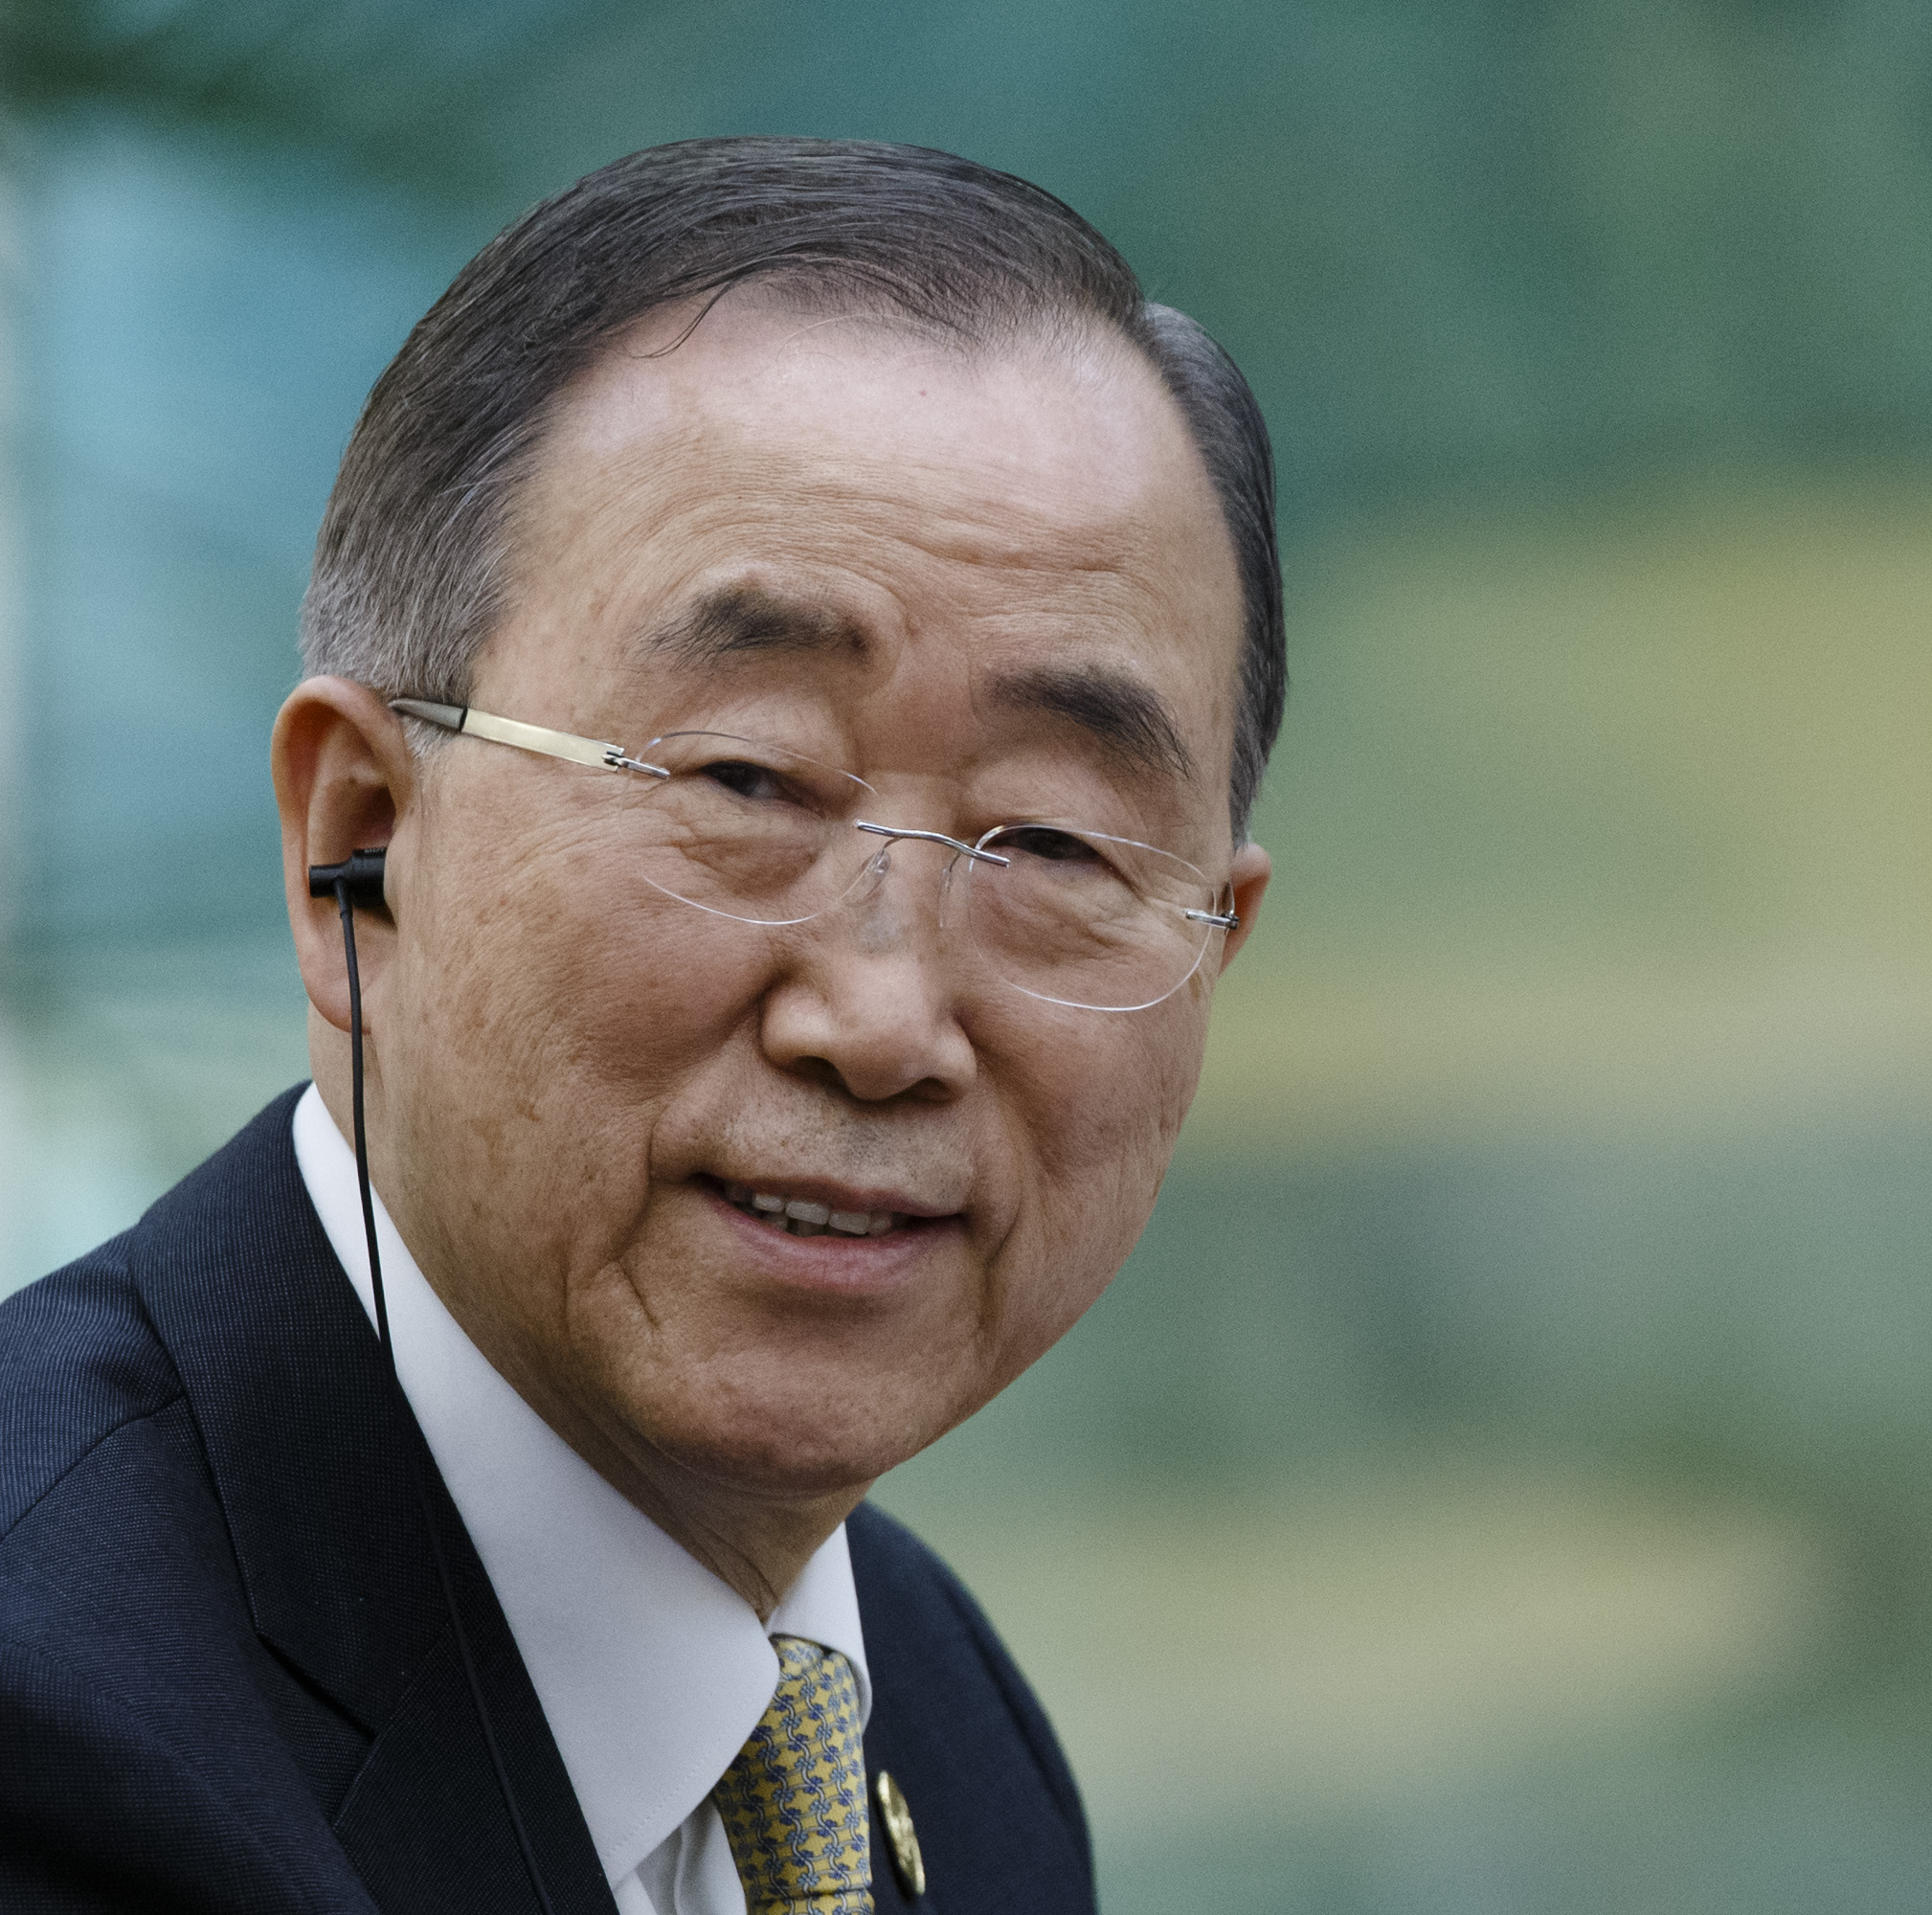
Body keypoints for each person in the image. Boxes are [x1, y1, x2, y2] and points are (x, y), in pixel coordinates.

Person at [0, 136, 1283, 1914]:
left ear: (1215, 941)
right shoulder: (57, 1734)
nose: (883, 1017)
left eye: (1054, 840)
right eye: (748, 779)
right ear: (359, 841)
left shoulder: (942, 1722)